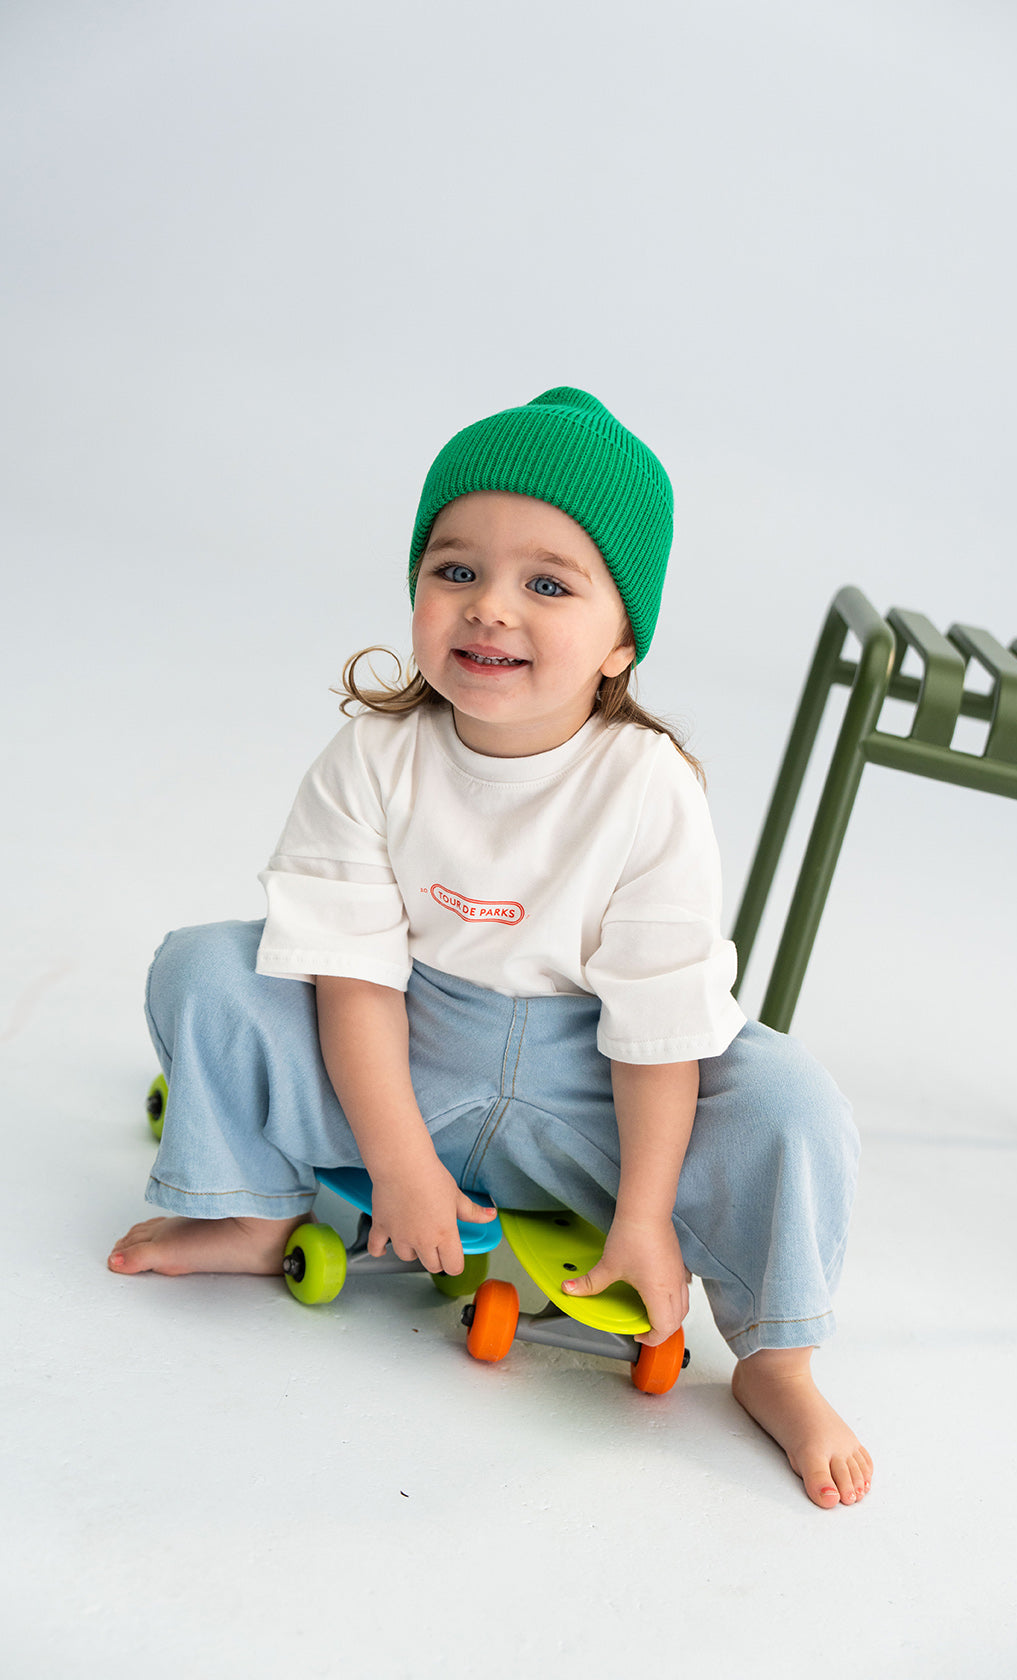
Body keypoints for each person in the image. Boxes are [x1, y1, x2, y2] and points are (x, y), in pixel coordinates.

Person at [109, 386, 873, 1509]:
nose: (489, 610)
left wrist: (643, 1216)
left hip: (592, 1093)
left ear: (621, 642)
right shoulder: (374, 757)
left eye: (547, 584)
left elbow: (660, 1024)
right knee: (207, 964)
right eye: (454, 571)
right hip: (405, 1050)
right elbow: (350, 975)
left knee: (789, 1097)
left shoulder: (646, 789)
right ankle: (255, 1210)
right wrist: (404, 1168)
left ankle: (776, 1363)